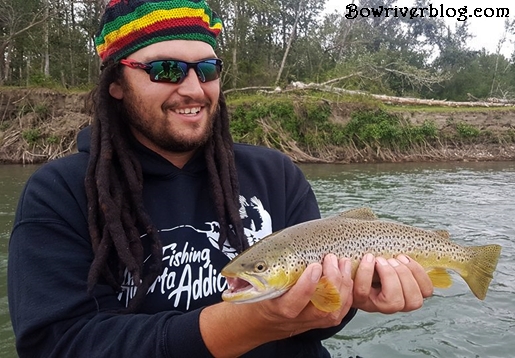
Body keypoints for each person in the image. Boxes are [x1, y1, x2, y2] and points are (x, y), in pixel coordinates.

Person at [7, 1, 433, 357]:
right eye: (167, 70)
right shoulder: (58, 192)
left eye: (207, 69)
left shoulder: (276, 173)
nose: (194, 88)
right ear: (117, 82)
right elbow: (58, 344)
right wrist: (243, 324)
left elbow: (314, 328)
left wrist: (350, 300)